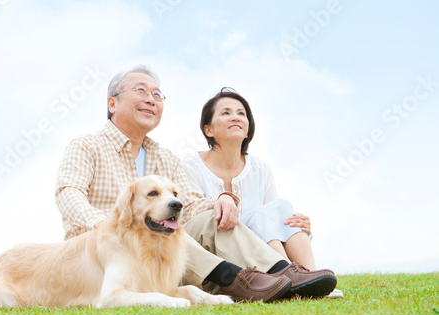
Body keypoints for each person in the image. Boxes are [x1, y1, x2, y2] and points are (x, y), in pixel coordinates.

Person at [55, 65, 337, 302]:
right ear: (112, 103)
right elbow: (69, 195)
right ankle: (238, 280)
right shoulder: (86, 146)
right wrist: (110, 225)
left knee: (215, 218)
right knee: (171, 235)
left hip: (156, 258)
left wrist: (221, 200)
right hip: (103, 252)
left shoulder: (165, 157)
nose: (151, 99)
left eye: (157, 95)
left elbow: (189, 204)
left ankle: (282, 272)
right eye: (141, 91)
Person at [181, 87, 343, 298]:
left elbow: (273, 220)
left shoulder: (260, 168)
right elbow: (192, 217)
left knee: (282, 207)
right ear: (208, 130)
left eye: (241, 113)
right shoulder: (190, 166)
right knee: (262, 214)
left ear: (248, 130)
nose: (236, 117)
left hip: (261, 249)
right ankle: (288, 277)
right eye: (226, 112)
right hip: (219, 252)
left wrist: (300, 227)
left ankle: (309, 276)